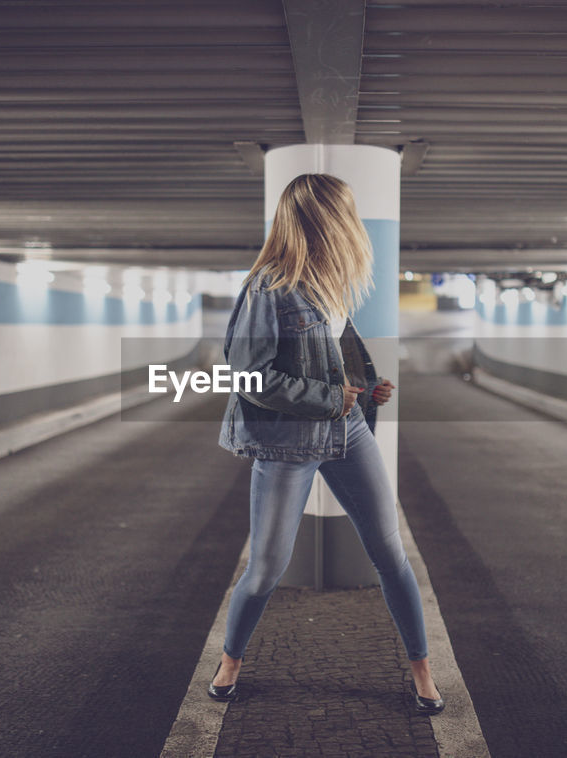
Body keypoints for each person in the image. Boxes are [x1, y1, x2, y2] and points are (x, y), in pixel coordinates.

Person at [208, 173, 443, 716]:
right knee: (267, 569)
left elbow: (337, 351)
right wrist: (326, 398)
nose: (352, 223)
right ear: (321, 218)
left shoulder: (329, 280)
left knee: (391, 554)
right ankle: (230, 662)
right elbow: (249, 377)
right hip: (288, 443)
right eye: (344, 213)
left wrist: (366, 389)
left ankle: (422, 672)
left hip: (347, 428)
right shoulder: (268, 287)